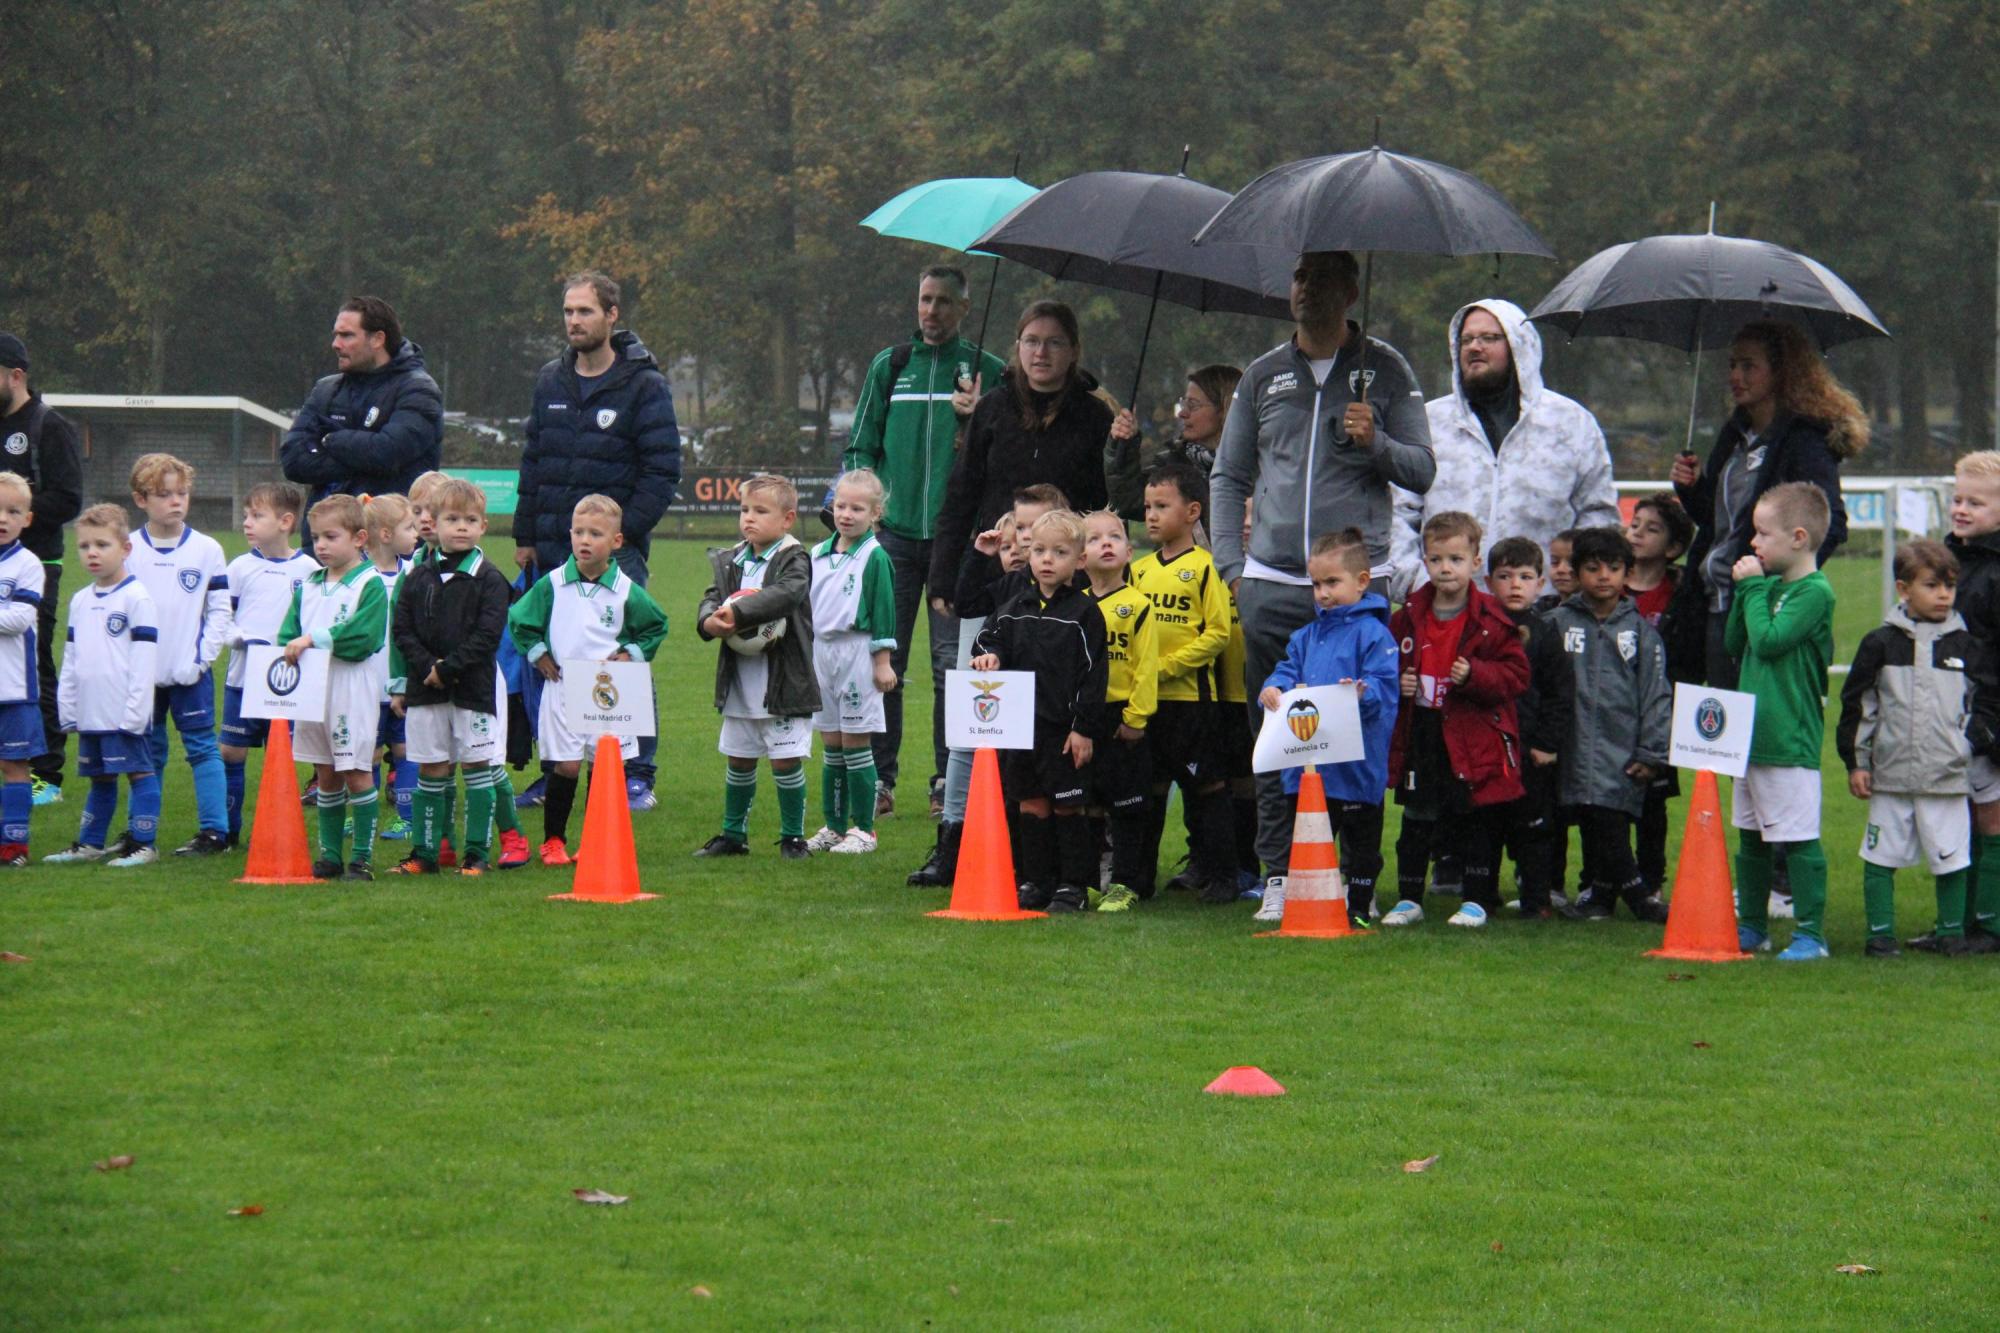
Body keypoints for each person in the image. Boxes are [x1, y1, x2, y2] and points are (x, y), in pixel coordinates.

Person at [1209, 250, 1435, 894]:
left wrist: (1377, 442)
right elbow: (1228, 476)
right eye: (1300, 277)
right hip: (1272, 586)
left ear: (1351, 292)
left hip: (1358, 592)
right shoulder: (1262, 375)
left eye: (1322, 279)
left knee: (1353, 736)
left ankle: (1350, 877)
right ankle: (1281, 875)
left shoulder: (1386, 371)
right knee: (1274, 737)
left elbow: (1422, 469)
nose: (1306, 289)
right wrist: (1233, 570)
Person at [843, 266, 1007, 818]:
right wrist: (867, 506)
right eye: (925, 299)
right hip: (892, 538)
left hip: (953, 545)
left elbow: (1000, 451)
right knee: (883, 657)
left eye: (943, 301)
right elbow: (860, 446)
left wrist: (976, 417)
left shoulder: (988, 371)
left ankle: (945, 781)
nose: (931, 310)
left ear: (965, 308)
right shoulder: (890, 366)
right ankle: (880, 780)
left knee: (949, 667)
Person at [514, 271, 682, 810]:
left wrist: (623, 533)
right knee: (553, 660)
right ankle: (557, 769)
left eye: (585, 311)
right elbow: (534, 460)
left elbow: (662, 470)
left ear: (612, 315)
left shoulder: (644, 385)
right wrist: (525, 533)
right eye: (568, 311)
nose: (574, 321)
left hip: (618, 554)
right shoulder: (551, 379)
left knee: (622, 657)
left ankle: (636, 773)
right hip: (554, 549)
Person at [1668, 320, 1861, 690]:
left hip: (1759, 609)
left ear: (1781, 372)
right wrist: (1691, 489)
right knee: (1714, 722)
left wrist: (1781, 586)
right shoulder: (1734, 433)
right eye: (1732, 365)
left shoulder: (1804, 441)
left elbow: (1830, 523)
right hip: (1713, 604)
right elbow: (1717, 523)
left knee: (1755, 723)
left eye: (1748, 365)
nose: (1735, 376)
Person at [1391, 299, 1618, 595]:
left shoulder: (1571, 423)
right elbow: (1397, 513)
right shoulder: (1429, 423)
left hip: (1545, 608)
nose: (1475, 347)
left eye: (1489, 338)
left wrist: (1571, 587)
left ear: (1519, 345)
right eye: (1466, 340)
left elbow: (1598, 515)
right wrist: (1418, 584)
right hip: (1446, 608)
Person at [1837, 540, 1997, 956]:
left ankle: (1951, 934)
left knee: (1952, 857)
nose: (1944, 595)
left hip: (1947, 777)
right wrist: (1857, 762)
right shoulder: (1879, 644)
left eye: (1950, 586)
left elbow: (1985, 703)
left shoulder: (1967, 647)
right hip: (1890, 776)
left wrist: (1966, 743)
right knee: (1880, 855)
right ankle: (1879, 936)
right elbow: (1858, 705)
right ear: (1903, 589)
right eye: (1932, 585)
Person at [908, 484, 1070, 889]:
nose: (1025, 537)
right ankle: (959, 851)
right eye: (1020, 528)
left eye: (1033, 527)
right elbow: (967, 604)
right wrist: (979, 557)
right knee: (987, 759)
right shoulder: (1010, 584)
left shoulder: (1072, 590)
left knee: (1045, 783)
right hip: (1005, 694)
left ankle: (1053, 870)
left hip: (1053, 704)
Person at [1382, 511, 1528, 929]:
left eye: (1456, 559)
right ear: (1424, 561)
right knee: (1417, 817)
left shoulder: (1493, 620)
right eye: (1436, 559)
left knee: (1475, 818)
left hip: (1472, 734)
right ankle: (1409, 898)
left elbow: (1517, 676)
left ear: (1475, 562)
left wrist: (1475, 675)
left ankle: (1476, 900)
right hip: (1423, 732)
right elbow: (1386, 665)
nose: (1446, 568)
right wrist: (1399, 681)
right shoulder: (1407, 615)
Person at [506, 494, 669, 866]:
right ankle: (553, 842)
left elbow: (655, 625)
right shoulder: (552, 583)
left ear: (616, 541)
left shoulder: (625, 589)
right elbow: (520, 619)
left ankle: (595, 842)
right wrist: (538, 653)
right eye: (578, 532)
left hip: (608, 689)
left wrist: (632, 652)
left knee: (604, 766)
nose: (584, 540)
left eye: (595, 534)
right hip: (563, 686)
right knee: (565, 766)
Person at [928, 301, 1118, 610]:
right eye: (1031, 341)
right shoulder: (992, 408)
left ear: (1073, 350)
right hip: (994, 581)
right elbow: (961, 496)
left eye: (1054, 343)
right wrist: (942, 580)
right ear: (1018, 346)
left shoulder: (1095, 417)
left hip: (1069, 587)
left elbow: (1105, 506)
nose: (1041, 352)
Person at [1253, 528, 1399, 928]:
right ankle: (1309, 902)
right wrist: (1273, 689)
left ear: (1362, 581)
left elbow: (1384, 689)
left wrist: (1363, 693)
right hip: (1310, 768)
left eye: (1332, 582)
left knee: (1362, 842)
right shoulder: (1305, 636)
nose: (1323, 593)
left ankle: (1360, 906)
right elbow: (1287, 671)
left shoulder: (1375, 634)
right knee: (1310, 836)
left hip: (1357, 765)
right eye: (1317, 584)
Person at [969, 510, 1109, 912]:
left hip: (1063, 732)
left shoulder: (1085, 614)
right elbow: (987, 640)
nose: (1047, 559)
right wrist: (990, 657)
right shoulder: (1013, 608)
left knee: (1067, 805)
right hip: (1019, 730)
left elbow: (1094, 676)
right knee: (1031, 804)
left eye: (1060, 552)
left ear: (1079, 561)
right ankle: (1036, 881)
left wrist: (1083, 728)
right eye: (1039, 550)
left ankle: (1074, 885)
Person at [1726, 482, 1837, 960]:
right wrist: (1746, 592)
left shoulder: (1815, 592)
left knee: (1796, 838)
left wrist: (1752, 588)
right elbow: (1736, 642)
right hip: (1748, 737)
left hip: (1788, 737)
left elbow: (1770, 642)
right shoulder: (1769, 587)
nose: (1754, 542)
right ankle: (1753, 926)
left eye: (1763, 533)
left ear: (1798, 538)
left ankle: (1811, 934)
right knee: (1750, 837)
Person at [387, 479, 515, 876]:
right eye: (452, 519)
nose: (461, 527)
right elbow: (402, 629)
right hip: (425, 689)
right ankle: (426, 854)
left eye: (470, 520)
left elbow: (487, 636)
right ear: (434, 523)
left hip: (472, 690)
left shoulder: (490, 578)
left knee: (477, 768)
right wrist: (428, 666)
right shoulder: (417, 576)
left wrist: (447, 668)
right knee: (432, 769)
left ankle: (476, 855)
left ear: (483, 526)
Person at [1544, 527, 1672, 923]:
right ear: (1577, 573)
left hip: (1620, 749)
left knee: (1607, 818)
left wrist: (1651, 752)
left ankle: (1627, 896)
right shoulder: (1555, 624)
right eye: (1593, 568)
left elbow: (1656, 696)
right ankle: (1599, 896)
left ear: (1627, 574)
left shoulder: (1642, 634)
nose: (1603, 576)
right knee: (1584, 818)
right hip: (1567, 747)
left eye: (1613, 568)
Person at [694, 474, 820, 859]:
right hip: (741, 679)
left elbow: (787, 593)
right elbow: (712, 596)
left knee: (785, 759)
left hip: (784, 679)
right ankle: (734, 835)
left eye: (761, 511)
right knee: (739, 756)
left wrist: (738, 612)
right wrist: (707, 621)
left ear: (787, 519)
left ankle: (793, 838)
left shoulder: (794, 558)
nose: (749, 518)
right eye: (745, 509)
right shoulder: (733, 556)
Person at [1130, 462, 1238, 905]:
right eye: (1147, 507)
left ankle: (1222, 876)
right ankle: (1138, 880)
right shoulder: (1138, 570)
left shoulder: (1206, 568)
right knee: (1149, 790)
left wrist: (1168, 666)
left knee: (1206, 787)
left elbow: (1218, 633)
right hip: (1147, 703)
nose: (1151, 515)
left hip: (1193, 701)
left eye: (1162, 506)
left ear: (1193, 512)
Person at [277, 495, 391, 881]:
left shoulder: (370, 584)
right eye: (315, 538)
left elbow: (365, 637)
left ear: (359, 538)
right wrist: (290, 650)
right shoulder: (309, 585)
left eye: (331, 536)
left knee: (355, 769)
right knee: (325, 771)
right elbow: (288, 633)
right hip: (312, 687)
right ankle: (329, 855)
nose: (321, 545)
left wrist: (313, 639)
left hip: (350, 685)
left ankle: (361, 858)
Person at [125, 453, 231, 856]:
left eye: (182, 493)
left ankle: (215, 833)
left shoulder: (207, 549)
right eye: (164, 494)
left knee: (202, 748)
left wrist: (202, 660)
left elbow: (219, 611)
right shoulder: (128, 549)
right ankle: (139, 832)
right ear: (141, 499)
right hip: (140, 676)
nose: (176, 501)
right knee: (146, 751)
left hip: (190, 673)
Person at [47, 505, 162, 867]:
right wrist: (68, 707)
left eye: (102, 545)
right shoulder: (80, 600)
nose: (92, 553)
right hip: (90, 711)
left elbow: (144, 663)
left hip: (124, 711)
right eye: (84, 546)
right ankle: (90, 843)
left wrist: (136, 713)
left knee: (140, 772)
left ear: (125, 549)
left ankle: (144, 844)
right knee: (100, 777)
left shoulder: (136, 598)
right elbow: (72, 659)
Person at [0, 334, 84, 805]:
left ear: (16, 376)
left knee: (33, 662)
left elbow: (68, 499)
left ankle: (45, 773)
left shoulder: (49, 426)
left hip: (35, 564)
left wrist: (18, 514)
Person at [804, 470, 898, 855]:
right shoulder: (817, 554)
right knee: (831, 743)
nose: (846, 514)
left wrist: (883, 662)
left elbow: (884, 611)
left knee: (856, 742)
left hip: (857, 652)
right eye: (841, 506)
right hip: (822, 653)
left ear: (875, 513)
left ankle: (864, 829)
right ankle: (834, 826)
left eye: (857, 508)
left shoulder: (875, 557)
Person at [219, 482, 317, 845]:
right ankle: (228, 832)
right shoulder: (239, 568)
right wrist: (239, 638)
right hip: (243, 678)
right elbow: (219, 618)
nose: (247, 522)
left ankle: (278, 833)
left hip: (287, 683)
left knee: (283, 755)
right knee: (231, 751)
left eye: (257, 516)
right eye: (247, 515)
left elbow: (315, 621)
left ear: (285, 522)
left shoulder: (309, 569)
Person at [280, 296, 444, 512]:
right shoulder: (326, 390)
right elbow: (293, 461)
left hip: (388, 531)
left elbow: (387, 453)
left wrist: (330, 440)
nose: (335, 344)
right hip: (325, 532)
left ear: (377, 339)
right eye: (335, 335)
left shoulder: (418, 390)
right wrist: (365, 462)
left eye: (346, 335)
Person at [1484, 537, 1574, 919]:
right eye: (1505, 576)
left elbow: (1559, 693)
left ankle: (1537, 900)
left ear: (1540, 583)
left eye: (1524, 577)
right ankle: (1480, 896)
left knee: (1535, 827)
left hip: (1530, 750)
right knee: (1486, 825)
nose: (1515, 585)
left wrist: (1547, 742)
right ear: (1488, 582)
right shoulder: (1479, 629)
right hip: (1488, 750)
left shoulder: (1545, 633)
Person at [1080, 509, 1157, 911]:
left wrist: (1136, 718)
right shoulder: (1074, 607)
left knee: (1127, 804)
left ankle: (1126, 882)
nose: (1105, 544)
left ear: (1129, 552)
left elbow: (1146, 667)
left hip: (1122, 717)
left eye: (1114, 537)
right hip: (1085, 719)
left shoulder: (1138, 605)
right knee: (1089, 802)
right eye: (1094, 539)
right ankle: (1090, 881)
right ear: (1080, 557)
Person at [1941, 450, 2000, 947]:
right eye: (1957, 499)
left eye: (1975, 503)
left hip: (1988, 711)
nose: (1961, 509)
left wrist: (1991, 715)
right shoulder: (1945, 562)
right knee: (1955, 815)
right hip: (1946, 710)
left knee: (1990, 816)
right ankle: (1956, 922)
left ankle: (1990, 923)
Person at [1625, 494, 1696, 895]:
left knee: (1653, 801)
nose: (1637, 533)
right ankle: (1603, 880)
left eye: (1651, 529)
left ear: (1673, 547)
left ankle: (1651, 881)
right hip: (1613, 707)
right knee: (1607, 801)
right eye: (1635, 524)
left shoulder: (1682, 595)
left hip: (1660, 710)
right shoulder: (1610, 584)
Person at [1106, 363, 1242, 525]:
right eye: (1184, 403)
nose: (1182, 413)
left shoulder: (1256, 466)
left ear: (1225, 409)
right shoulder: (1174, 463)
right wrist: (1123, 445)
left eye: (1193, 405)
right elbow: (1129, 502)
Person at [363, 493, 420, 841]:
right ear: (385, 535)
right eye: (409, 527)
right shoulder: (357, 576)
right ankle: (364, 816)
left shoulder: (413, 574)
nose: (416, 534)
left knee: (405, 748)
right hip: (366, 683)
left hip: (402, 682)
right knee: (367, 751)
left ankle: (407, 817)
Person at [0, 472, 45, 864]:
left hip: (12, 687)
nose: (3, 518)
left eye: (13, 511)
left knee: (14, 764)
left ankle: (14, 845)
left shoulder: (27, 564)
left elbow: (19, 618)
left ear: (27, 519)